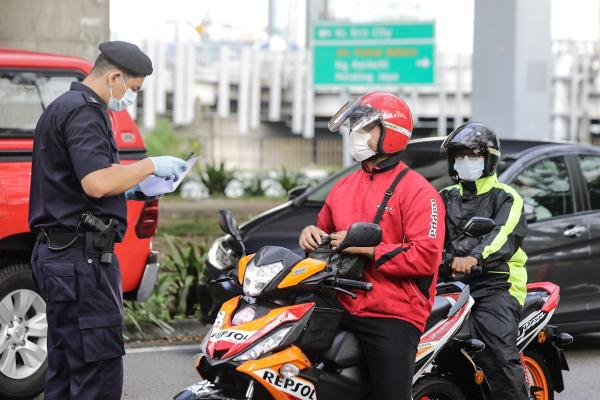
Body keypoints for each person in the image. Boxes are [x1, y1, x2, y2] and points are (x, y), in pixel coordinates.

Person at [28, 41, 188, 399]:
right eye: (134, 88)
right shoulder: (86, 112)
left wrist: (131, 190)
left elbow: (75, 182)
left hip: (61, 256)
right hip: (81, 261)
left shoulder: (61, 106)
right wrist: (150, 165)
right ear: (115, 77)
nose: (131, 97)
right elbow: (96, 182)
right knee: (97, 375)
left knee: (65, 372)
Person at [299, 92, 445, 400]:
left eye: (365, 128)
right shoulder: (343, 187)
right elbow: (324, 232)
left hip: (393, 309)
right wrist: (310, 235)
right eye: (354, 128)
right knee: (292, 371)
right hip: (341, 298)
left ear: (392, 134)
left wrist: (366, 249)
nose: (356, 135)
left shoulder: (420, 192)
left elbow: (426, 256)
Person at [439, 122, 529, 400]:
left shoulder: (506, 197)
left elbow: (502, 236)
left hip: (496, 285)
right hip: (448, 283)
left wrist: (474, 257)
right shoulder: (444, 197)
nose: (465, 160)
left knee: (498, 356)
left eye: (473, 154)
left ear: (489, 159)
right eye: (459, 155)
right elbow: (427, 235)